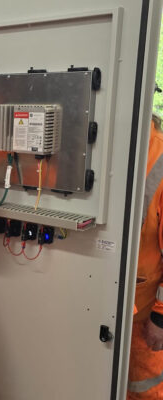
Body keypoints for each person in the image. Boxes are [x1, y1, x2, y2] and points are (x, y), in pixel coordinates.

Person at [128, 113, 163, 399]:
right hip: (95, 306)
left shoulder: (158, 156)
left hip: (143, 315)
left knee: (144, 390)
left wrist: (161, 317)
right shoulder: (97, 147)